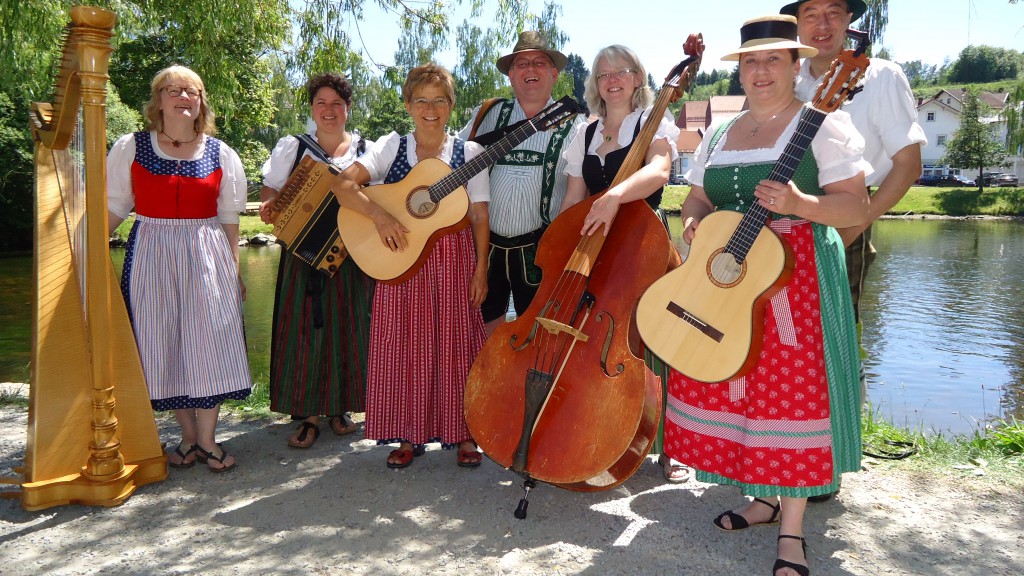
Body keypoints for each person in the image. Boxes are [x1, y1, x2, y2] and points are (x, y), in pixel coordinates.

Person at [663, 16, 870, 576]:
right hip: (731, 278)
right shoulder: (719, 134)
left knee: (792, 397)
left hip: (796, 278)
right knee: (741, 388)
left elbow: (857, 205)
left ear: (796, 65)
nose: (760, 70)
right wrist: (692, 225)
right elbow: (698, 197)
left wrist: (803, 204)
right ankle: (762, 498)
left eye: (775, 59)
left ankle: (793, 532)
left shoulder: (822, 123)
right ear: (739, 70)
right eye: (751, 61)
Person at [781, 0, 927, 502]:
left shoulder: (882, 77)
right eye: (810, 14)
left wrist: (859, 222)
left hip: (847, 225)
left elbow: (908, 164)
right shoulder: (786, 76)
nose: (821, 26)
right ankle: (777, 451)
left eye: (833, 13)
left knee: (831, 344)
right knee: (780, 347)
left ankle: (827, 460)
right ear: (796, 25)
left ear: (850, 22)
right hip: (783, 228)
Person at [332, 63, 489, 469]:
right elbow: (343, 186)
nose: (430, 108)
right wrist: (380, 216)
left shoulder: (468, 154)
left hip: (454, 260)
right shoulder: (391, 147)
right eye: (421, 99)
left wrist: (481, 269)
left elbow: (479, 217)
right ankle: (407, 433)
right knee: (402, 345)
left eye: (439, 100)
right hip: (400, 258)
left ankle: (465, 434)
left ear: (451, 106)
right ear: (408, 104)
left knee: (458, 344)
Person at [107, 65, 251, 473]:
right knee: (162, 342)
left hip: (206, 250)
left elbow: (228, 217)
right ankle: (188, 437)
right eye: (173, 90)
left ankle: (206, 439)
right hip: (151, 251)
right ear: (159, 101)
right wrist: (82, 246)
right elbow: (116, 207)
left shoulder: (221, 153)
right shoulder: (130, 147)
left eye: (192, 91)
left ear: (202, 101)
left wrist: (234, 271)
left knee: (210, 343)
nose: (183, 97)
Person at [557, 45, 687, 484]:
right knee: (601, 345)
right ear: (595, 84)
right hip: (598, 252)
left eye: (622, 71)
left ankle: (671, 447)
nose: (612, 79)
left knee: (655, 343)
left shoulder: (651, 122)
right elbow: (575, 198)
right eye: (603, 73)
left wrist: (615, 195)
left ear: (637, 78)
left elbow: (659, 171)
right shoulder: (586, 132)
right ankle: (603, 434)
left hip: (641, 247)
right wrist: (562, 244)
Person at [258, 73, 374, 449]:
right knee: (304, 333)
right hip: (303, 254)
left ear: (347, 109)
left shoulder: (367, 149)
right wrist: (269, 204)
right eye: (321, 103)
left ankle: (340, 408)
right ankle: (307, 414)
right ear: (312, 108)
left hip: (351, 253)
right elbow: (271, 188)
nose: (329, 110)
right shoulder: (293, 147)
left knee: (348, 329)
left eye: (336, 103)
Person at [458, 31, 585, 334]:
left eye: (539, 63)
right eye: (522, 63)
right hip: (485, 249)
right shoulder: (488, 114)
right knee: (482, 336)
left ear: (554, 73)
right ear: (511, 74)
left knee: (537, 338)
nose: (530, 69)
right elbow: (452, 158)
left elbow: (582, 193)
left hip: (541, 250)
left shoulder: (576, 125)